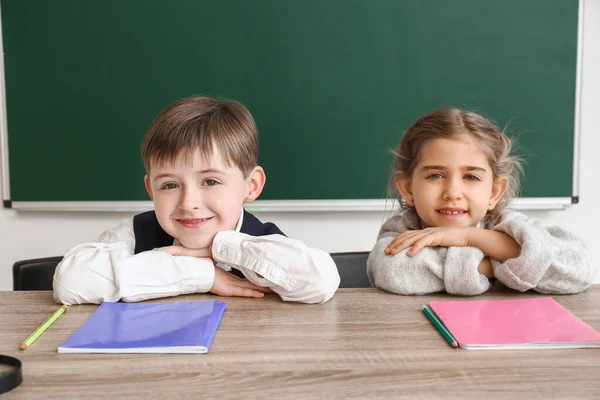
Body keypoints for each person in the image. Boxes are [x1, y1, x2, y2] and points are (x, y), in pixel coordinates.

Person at [53, 96, 340, 305]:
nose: (188, 202)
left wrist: (221, 249)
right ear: (151, 191)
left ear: (250, 186)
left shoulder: (262, 242)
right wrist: (204, 275)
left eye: (210, 181)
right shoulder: (134, 232)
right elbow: (70, 282)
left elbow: (320, 282)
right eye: (169, 185)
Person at [367, 108, 596, 295]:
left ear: (494, 192)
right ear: (408, 188)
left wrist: (471, 237)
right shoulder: (402, 231)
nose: (453, 192)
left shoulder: (511, 226)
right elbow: (393, 273)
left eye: (471, 177)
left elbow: (581, 269)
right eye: (435, 175)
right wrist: (500, 265)